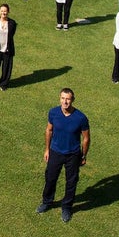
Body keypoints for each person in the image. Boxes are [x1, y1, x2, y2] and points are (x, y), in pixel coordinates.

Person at [37, 88, 90, 223]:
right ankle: (47, 202)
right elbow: (49, 130)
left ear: (72, 100)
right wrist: (47, 150)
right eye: (62, 98)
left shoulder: (81, 118)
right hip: (55, 152)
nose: (65, 101)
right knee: (50, 178)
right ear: (59, 98)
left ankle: (66, 207)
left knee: (71, 182)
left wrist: (83, 156)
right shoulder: (53, 113)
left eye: (68, 99)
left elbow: (86, 138)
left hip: (73, 155)